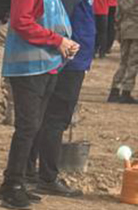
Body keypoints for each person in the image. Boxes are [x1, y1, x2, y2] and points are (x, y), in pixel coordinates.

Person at [0, 0, 79, 209]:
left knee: (34, 126)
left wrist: (66, 43)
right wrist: (57, 41)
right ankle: (13, 185)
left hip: (46, 65)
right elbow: (21, 21)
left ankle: (15, 183)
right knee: (27, 127)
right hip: (28, 68)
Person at [29, 0, 94, 195]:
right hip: (68, 61)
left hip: (73, 59)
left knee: (49, 118)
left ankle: (31, 171)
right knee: (55, 119)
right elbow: (59, 22)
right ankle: (46, 177)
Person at [109, 0, 138, 100]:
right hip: (136, 32)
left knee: (123, 62)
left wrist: (118, 30)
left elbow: (117, 15)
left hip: (125, 30)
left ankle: (114, 90)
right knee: (133, 63)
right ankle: (126, 91)